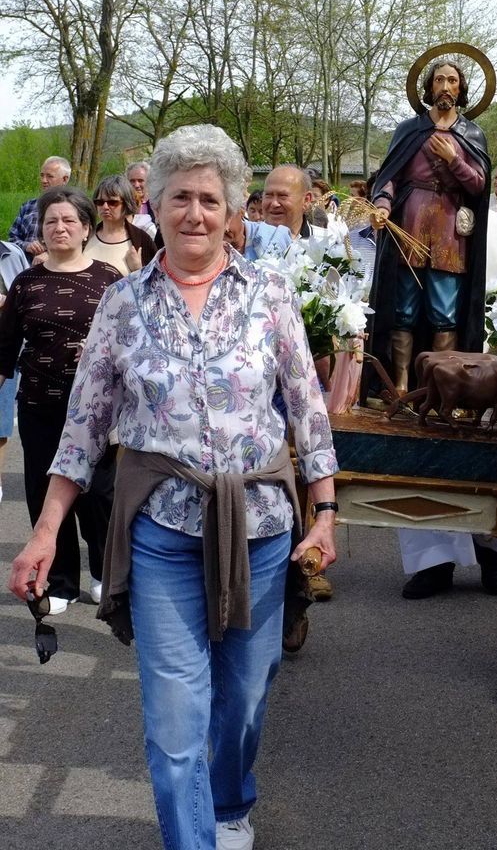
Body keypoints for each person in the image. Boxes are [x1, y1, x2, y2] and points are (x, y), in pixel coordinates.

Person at [8, 124, 339, 850]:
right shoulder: (124, 304)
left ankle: (229, 805)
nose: (195, 212)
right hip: (161, 531)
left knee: (245, 697)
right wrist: (45, 530)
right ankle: (193, 838)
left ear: (233, 210)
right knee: (175, 716)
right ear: (153, 205)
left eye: (209, 199)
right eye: (179, 197)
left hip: (260, 525)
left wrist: (325, 513)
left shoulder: (270, 295)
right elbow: (84, 424)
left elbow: (307, 407)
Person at [368, 58, 497, 599]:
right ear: (426, 88)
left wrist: (457, 163)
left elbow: (480, 188)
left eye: (453, 81)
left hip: (450, 227)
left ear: (463, 89)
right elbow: (390, 175)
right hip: (411, 218)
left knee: (444, 315)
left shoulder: (471, 134)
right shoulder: (408, 131)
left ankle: (444, 393)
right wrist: (379, 201)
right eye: (438, 80)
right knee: (402, 313)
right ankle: (398, 388)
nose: (445, 87)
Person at [0, 186, 121, 612]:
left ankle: (106, 574)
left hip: (96, 411)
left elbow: (131, 342)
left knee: (100, 494)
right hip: (39, 406)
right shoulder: (25, 282)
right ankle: (61, 581)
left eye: (69, 220)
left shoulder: (109, 280)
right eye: (51, 221)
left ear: (87, 227)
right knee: (42, 491)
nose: (60, 228)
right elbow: (6, 346)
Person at [0, 239, 28, 502]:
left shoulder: (11, 254)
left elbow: (25, 301)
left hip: (4, 350)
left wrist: (6, 302)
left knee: (0, 426)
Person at [88, 175, 158, 276]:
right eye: (100, 202)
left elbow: (156, 283)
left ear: (126, 204)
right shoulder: (85, 236)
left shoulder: (141, 240)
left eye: (113, 202)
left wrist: (138, 270)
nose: (105, 207)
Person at [8, 155, 71, 259]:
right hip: (23, 269)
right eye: (42, 175)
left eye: (49, 176)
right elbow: (12, 238)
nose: (44, 180)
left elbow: (79, 243)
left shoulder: (74, 208)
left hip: (57, 270)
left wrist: (49, 254)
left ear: (64, 179)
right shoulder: (28, 206)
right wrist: (27, 246)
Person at [262, 165, 326, 241]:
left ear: (306, 200)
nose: (274, 203)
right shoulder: (247, 241)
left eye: (282, 196)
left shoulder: (325, 243)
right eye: (268, 195)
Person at [224, 205, 292, 262]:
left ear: (241, 212)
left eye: (227, 219)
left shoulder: (274, 236)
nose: (225, 228)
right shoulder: (216, 250)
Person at [126, 161, 158, 238]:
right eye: (132, 181)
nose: (136, 185)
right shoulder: (123, 205)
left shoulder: (156, 204)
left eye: (140, 180)